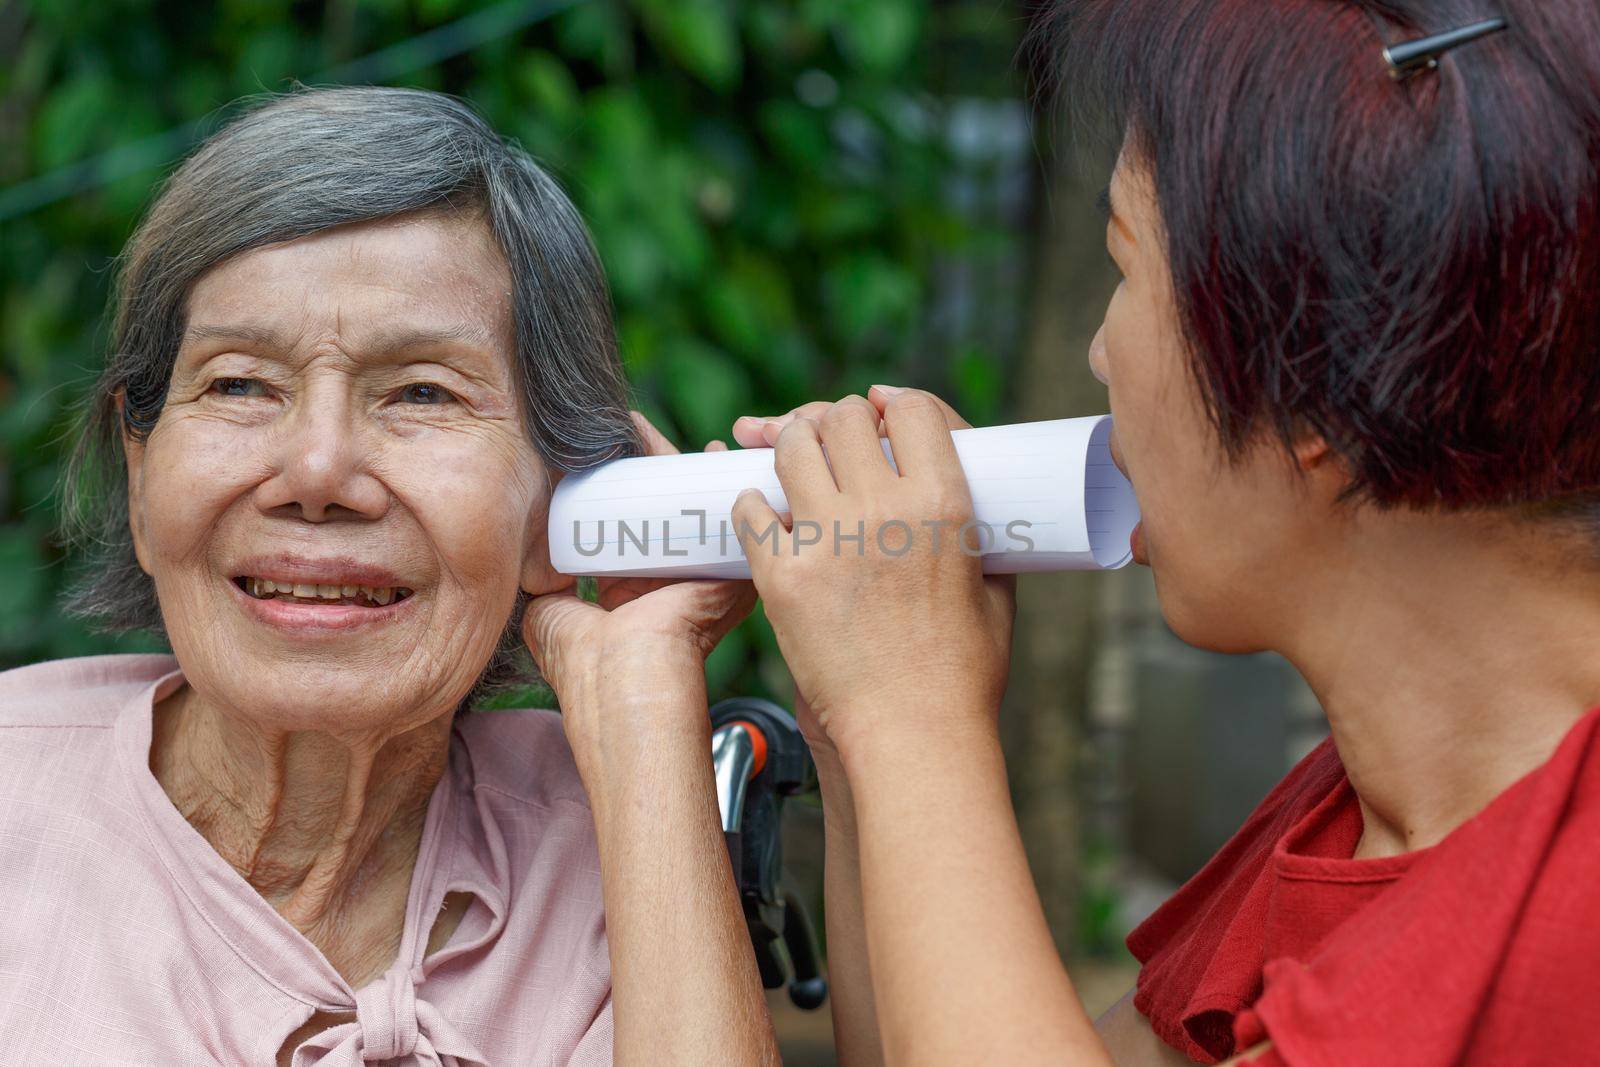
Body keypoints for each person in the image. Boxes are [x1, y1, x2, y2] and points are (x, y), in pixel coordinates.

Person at [723, 1, 1600, 1063]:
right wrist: (857, 719)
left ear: (1308, 388)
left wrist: (912, 711)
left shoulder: (1566, 908)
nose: (1098, 349)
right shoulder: (1367, 799)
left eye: (1127, 268)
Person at [0, 86, 776, 1065]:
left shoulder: (621, 845)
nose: (318, 472)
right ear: (144, 469)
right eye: (240, 383)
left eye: (422, 391)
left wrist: (643, 698)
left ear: (560, 505)